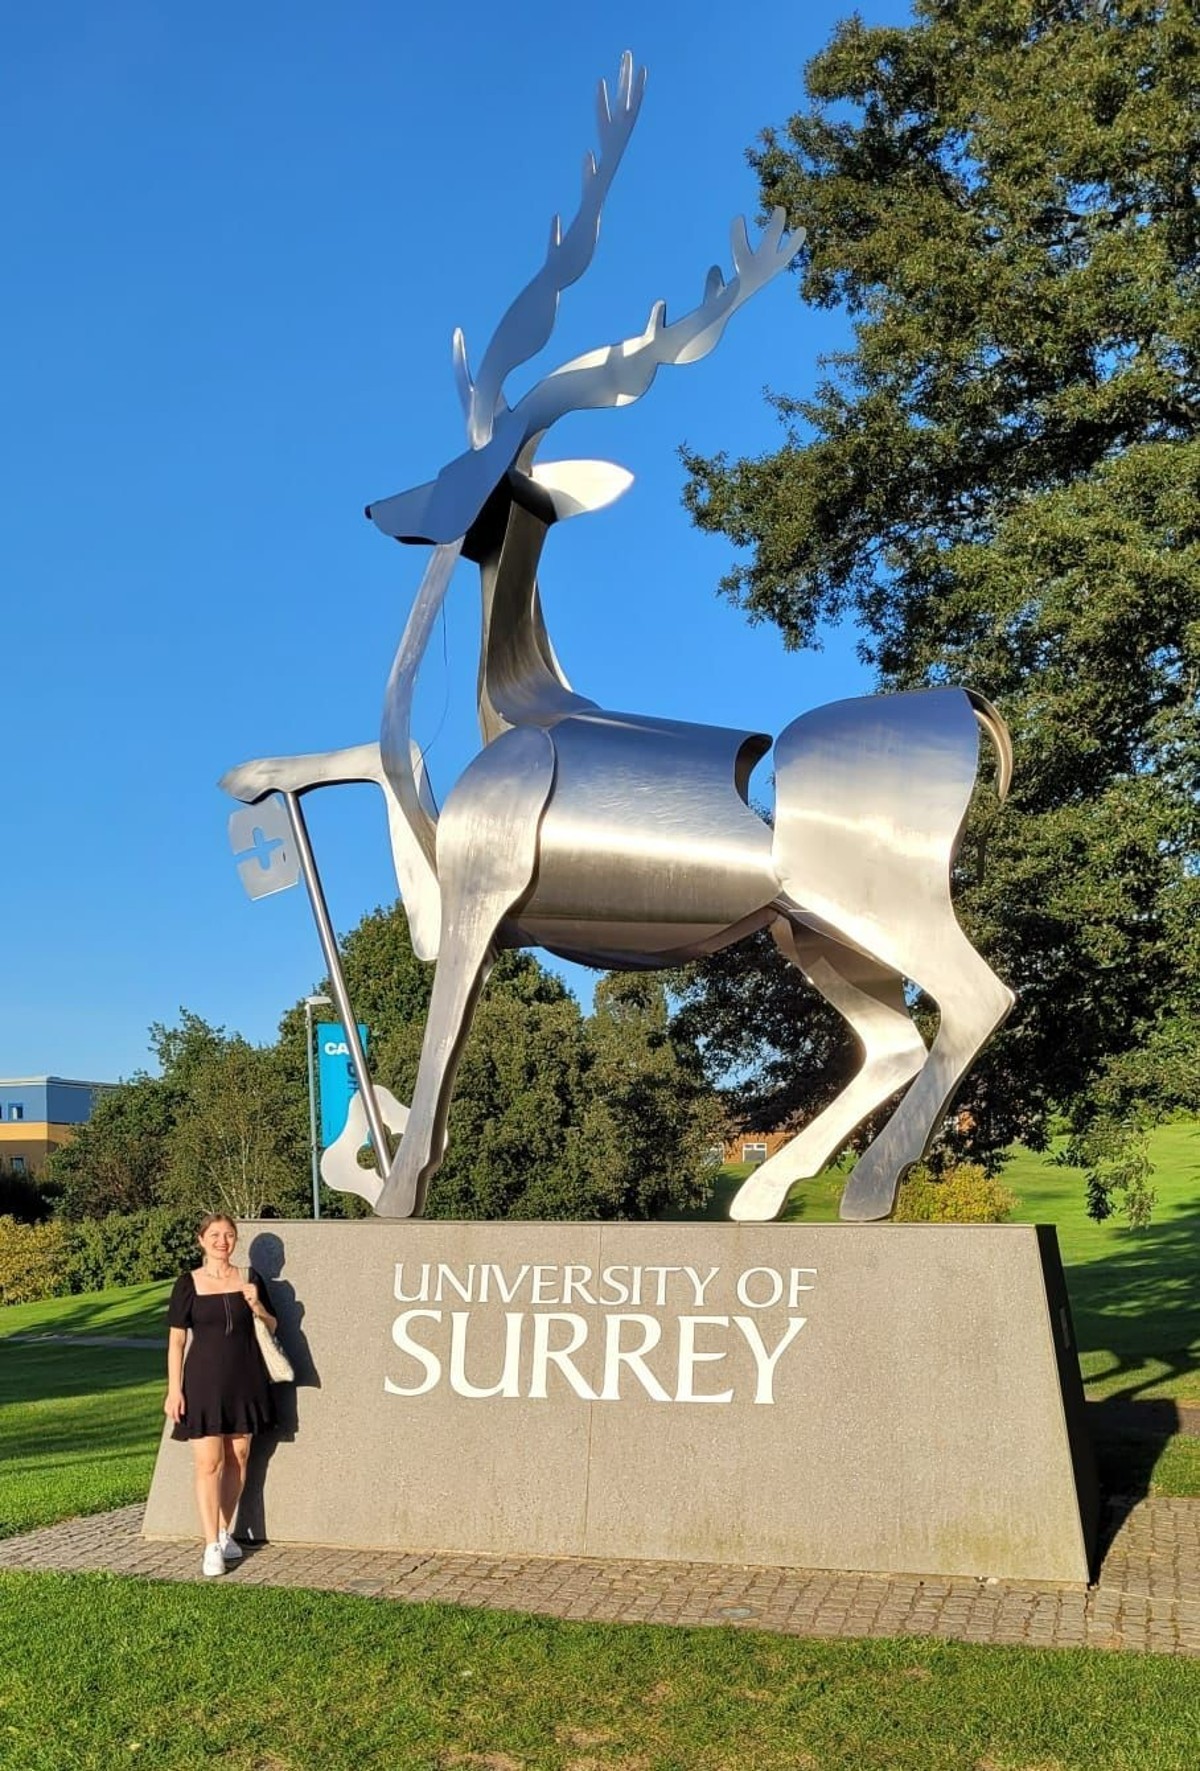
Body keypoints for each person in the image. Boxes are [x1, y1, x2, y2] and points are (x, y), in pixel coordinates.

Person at [164, 1213, 278, 1577]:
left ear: (235, 1240)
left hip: (245, 1379)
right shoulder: (188, 1284)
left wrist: (257, 1304)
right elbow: (177, 1340)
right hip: (203, 1383)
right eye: (214, 1235)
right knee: (208, 1463)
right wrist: (173, 1389)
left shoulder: (249, 1278)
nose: (222, 1241)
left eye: (229, 1235)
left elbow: (272, 1326)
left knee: (239, 1456)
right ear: (201, 1240)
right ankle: (211, 1544)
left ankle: (227, 1532)